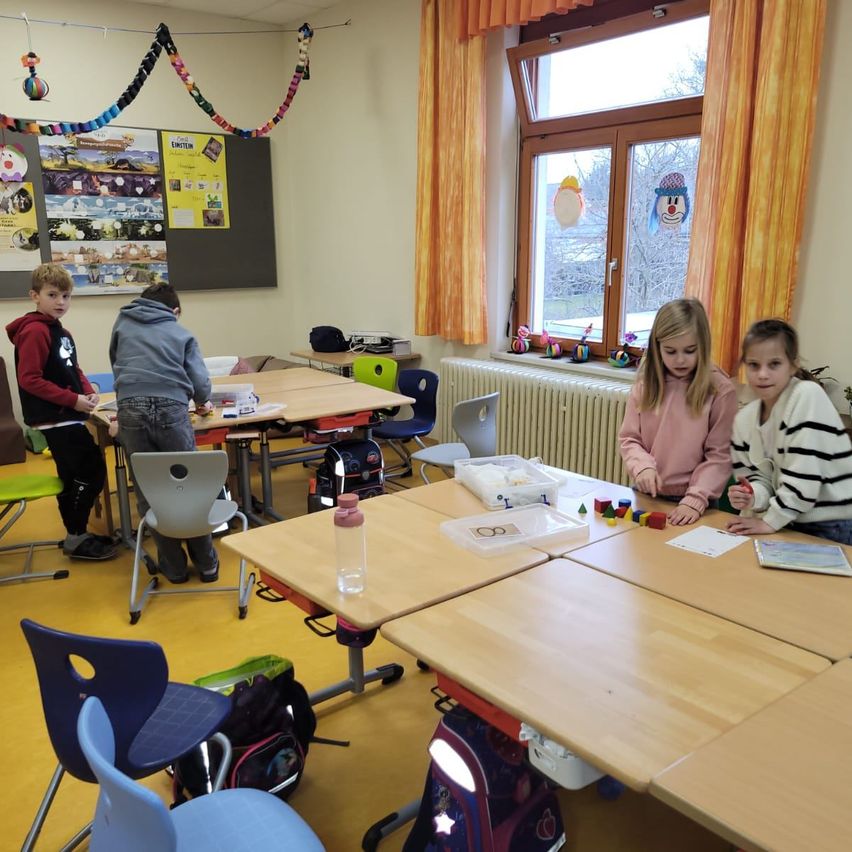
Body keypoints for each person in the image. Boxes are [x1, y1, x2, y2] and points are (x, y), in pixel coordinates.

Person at [5, 263, 117, 560]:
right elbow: (30, 379)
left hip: (67, 413)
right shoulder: (34, 332)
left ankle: (75, 534)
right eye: (52, 295)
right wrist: (73, 400)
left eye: (66, 296)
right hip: (56, 418)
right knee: (91, 471)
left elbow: (73, 368)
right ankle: (76, 536)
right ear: (35, 296)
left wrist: (87, 391)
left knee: (75, 475)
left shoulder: (61, 331)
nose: (60, 302)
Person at [109, 283, 218, 583]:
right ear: (176, 311)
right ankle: (207, 564)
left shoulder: (123, 322)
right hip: (171, 408)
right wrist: (201, 401)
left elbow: (117, 364)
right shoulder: (181, 332)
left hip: (130, 407)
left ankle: (174, 567)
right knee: (188, 484)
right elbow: (199, 380)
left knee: (151, 488)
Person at [726, 319, 852, 543]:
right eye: (754, 365)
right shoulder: (744, 420)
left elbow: (805, 476)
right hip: (789, 519)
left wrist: (770, 521)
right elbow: (759, 478)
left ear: (792, 366)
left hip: (831, 523)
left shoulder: (807, 395)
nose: (762, 374)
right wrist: (752, 496)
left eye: (774, 364)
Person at [619, 298, 737, 525]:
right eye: (670, 351)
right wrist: (642, 467)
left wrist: (695, 498)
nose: (680, 360)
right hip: (647, 494)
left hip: (696, 502)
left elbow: (720, 455)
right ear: (657, 347)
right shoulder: (646, 385)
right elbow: (630, 439)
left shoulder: (720, 390)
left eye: (690, 351)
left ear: (703, 346)